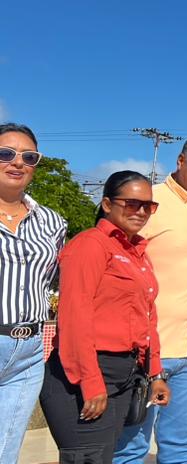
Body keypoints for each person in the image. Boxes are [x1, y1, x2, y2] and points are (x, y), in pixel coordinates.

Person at [40, 171, 170, 464]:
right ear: (108, 204)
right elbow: (74, 319)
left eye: (148, 206)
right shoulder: (90, 245)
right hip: (86, 372)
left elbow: (148, 316)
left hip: (124, 371)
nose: (141, 212)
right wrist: (91, 382)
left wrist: (155, 373)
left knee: (104, 455)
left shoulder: (137, 251)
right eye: (132, 203)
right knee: (87, 457)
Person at [114, 135, 187, 463]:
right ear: (181, 161)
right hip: (149, 350)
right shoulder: (149, 204)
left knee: (179, 445)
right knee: (131, 446)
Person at [0, 123, 66, 461]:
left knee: (6, 449)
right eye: (5, 154)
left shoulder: (53, 223)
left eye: (29, 156)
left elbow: (55, 281)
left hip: (29, 351)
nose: (18, 162)